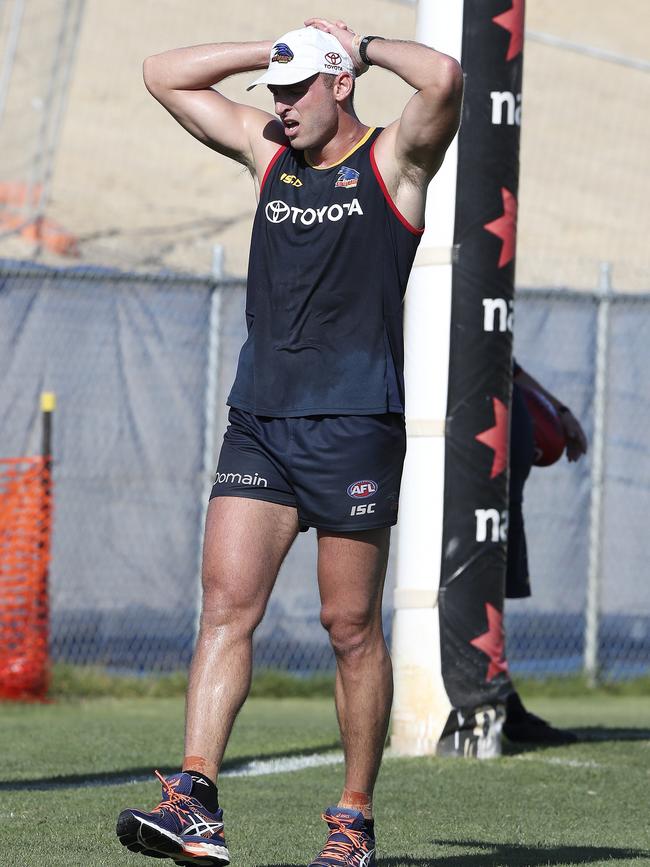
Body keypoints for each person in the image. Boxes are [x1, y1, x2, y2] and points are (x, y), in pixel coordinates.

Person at [116, 19, 463, 867]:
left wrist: (365, 45)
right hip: (260, 422)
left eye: (298, 86)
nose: (280, 104)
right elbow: (163, 73)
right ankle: (196, 798)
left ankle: (353, 821)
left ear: (340, 85)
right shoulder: (269, 150)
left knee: (349, 627)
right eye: (274, 91)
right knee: (226, 609)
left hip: (354, 428)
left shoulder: (393, 160)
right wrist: (271, 50)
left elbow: (447, 79)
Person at [503, 359, 588, 744]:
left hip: (505, 491)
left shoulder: (488, 331)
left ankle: (503, 702)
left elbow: (513, 370)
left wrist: (560, 411)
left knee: (490, 599)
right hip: (481, 483)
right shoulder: (443, 318)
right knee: (471, 594)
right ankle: (499, 704)